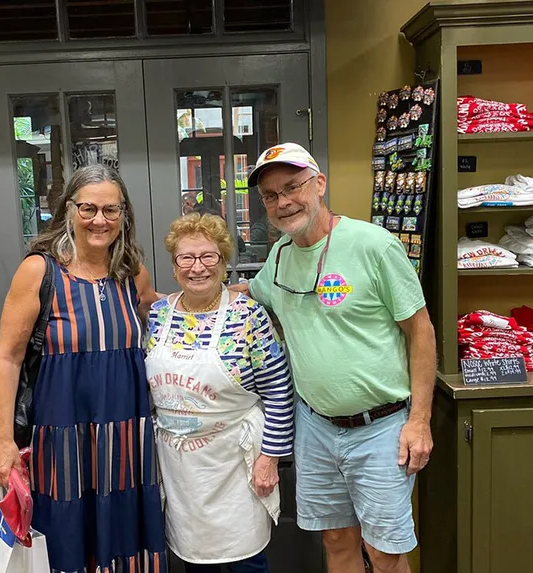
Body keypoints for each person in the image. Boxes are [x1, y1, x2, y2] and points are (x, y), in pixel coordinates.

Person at [237, 142, 436, 573]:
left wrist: (419, 421)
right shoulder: (279, 257)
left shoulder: (373, 245)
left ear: (319, 184)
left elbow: (420, 331)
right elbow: (247, 296)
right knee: (336, 539)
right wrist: (173, 298)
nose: (283, 202)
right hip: (316, 427)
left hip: (381, 427)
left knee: (384, 551)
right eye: (270, 196)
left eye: (292, 187)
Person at [0, 164, 167, 572]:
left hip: (126, 434)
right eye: (88, 209)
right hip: (63, 436)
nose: (99, 220)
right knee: (66, 539)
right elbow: (8, 357)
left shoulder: (130, 272)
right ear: (68, 209)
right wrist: (3, 441)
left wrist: (222, 293)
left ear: (124, 215)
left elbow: (164, 307)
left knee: (125, 537)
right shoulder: (40, 270)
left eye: (111, 210)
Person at [144, 212, 294, 573]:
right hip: (181, 468)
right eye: (187, 258)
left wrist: (268, 459)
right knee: (194, 560)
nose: (198, 267)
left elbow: (279, 393)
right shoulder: (159, 315)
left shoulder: (248, 316)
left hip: (236, 465)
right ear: (175, 264)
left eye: (208, 256)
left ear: (224, 261)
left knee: (247, 561)